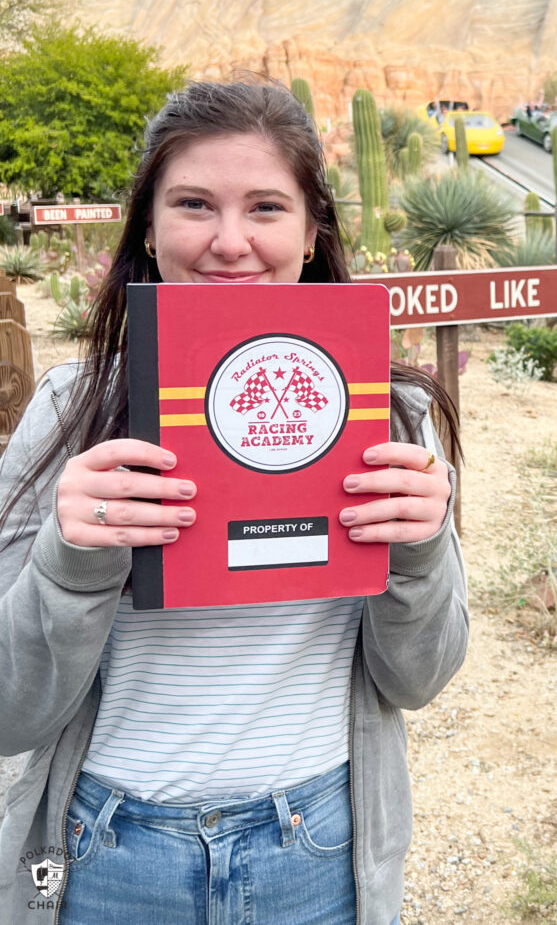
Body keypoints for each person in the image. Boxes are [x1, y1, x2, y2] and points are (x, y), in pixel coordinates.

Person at [0, 80, 468, 925]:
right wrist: (70, 569)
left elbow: (419, 678)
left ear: (311, 230)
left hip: (318, 851)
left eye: (265, 207)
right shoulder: (71, 413)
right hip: (106, 854)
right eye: (193, 204)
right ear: (147, 225)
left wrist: (420, 553)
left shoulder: (389, 418)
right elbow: (8, 710)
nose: (229, 242)